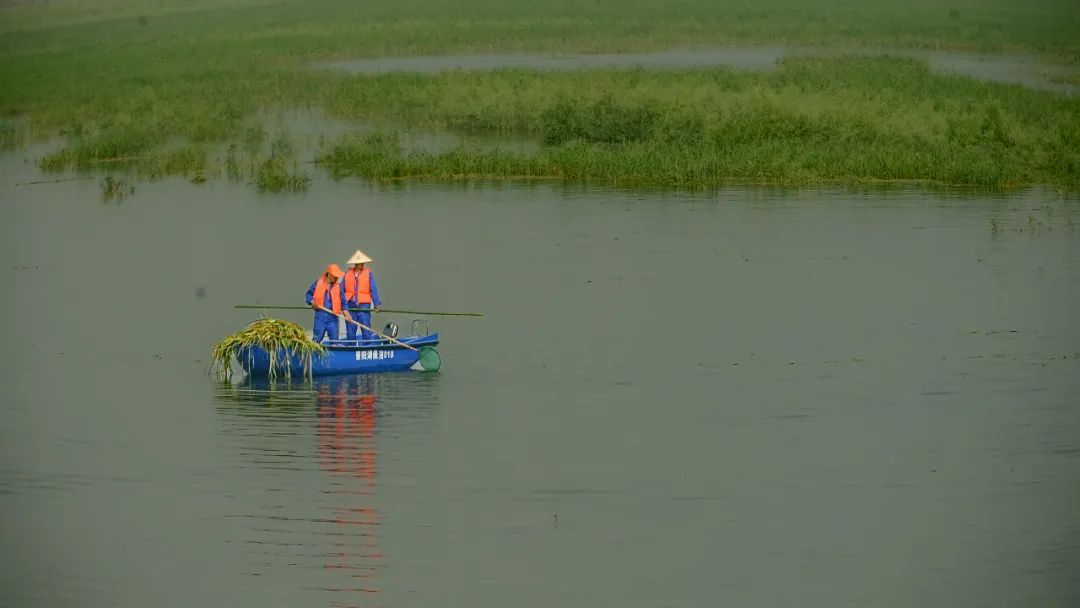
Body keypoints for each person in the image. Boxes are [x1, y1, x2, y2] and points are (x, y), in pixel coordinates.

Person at [343, 249, 382, 341]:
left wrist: (377, 304)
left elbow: (373, 289)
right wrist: (343, 307)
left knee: (366, 329)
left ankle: (367, 345)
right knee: (350, 331)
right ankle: (351, 347)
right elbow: (341, 291)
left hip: (364, 307)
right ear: (355, 263)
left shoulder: (368, 273)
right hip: (350, 306)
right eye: (360, 262)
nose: (362, 264)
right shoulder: (347, 274)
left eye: (362, 262)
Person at [305, 263, 346, 342]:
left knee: (335, 341)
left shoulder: (339, 286)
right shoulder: (317, 283)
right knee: (316, 340)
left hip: (333, 318)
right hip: (320, 317)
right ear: (329, 274)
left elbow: (344, 302)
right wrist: (312, 302)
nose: (336, 278)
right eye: (335, 275)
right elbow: (308, 295)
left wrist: (346, 312)